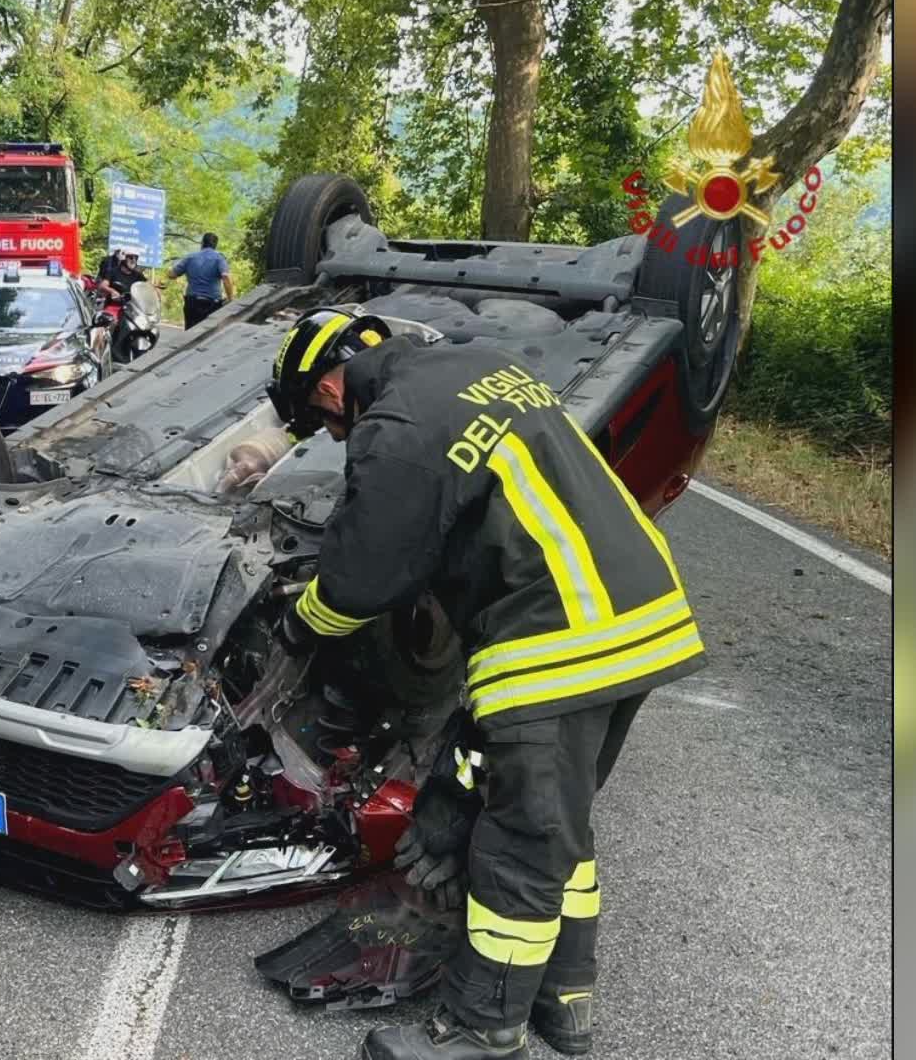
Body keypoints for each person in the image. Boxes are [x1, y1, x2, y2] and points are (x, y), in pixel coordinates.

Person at [266, 307, 706, 1060]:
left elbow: (358, 583)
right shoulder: (481, 366)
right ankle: (564, 1004)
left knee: (515, 844)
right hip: (639, 615)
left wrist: (297, 629)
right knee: (557, 827)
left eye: (319, 418)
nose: (332, 434)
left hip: (561, 636)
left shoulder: (394, 428)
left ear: (331, 383)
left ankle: (481, 1031)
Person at [168, 232, 235, 327]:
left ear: (202, 243)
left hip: (192, 303)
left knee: (191, 332)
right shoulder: (219, 259)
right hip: (212, 304)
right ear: (215, 245)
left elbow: (172, 275)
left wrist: (172, 268)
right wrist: (230, 298)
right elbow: (226, 277)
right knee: (209, 334)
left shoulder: (190, 257)